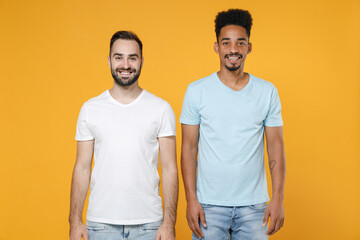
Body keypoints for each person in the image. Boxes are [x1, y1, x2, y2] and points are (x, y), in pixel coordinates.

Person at [180, 9, 286, 240]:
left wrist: (277, 198)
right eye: (226, 43)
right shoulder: (196, 91)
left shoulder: (267, 92)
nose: (233, 50)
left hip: (254, 206)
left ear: (249, 47)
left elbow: (275, 146)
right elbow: (188, 148)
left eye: (240, 43)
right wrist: (191, 200)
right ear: (217, 46)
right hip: (208, 205)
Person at [69, 31, 178, 240]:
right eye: (119, 57)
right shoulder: (90, 109)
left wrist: (169, 224)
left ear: (142, 61)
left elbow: (170, 169)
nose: (126, 65)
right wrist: (75, 221)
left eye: (132, 58)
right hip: (100, 225)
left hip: (149, 225)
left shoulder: (161, 108)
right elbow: (82, 168)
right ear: (109, 61)